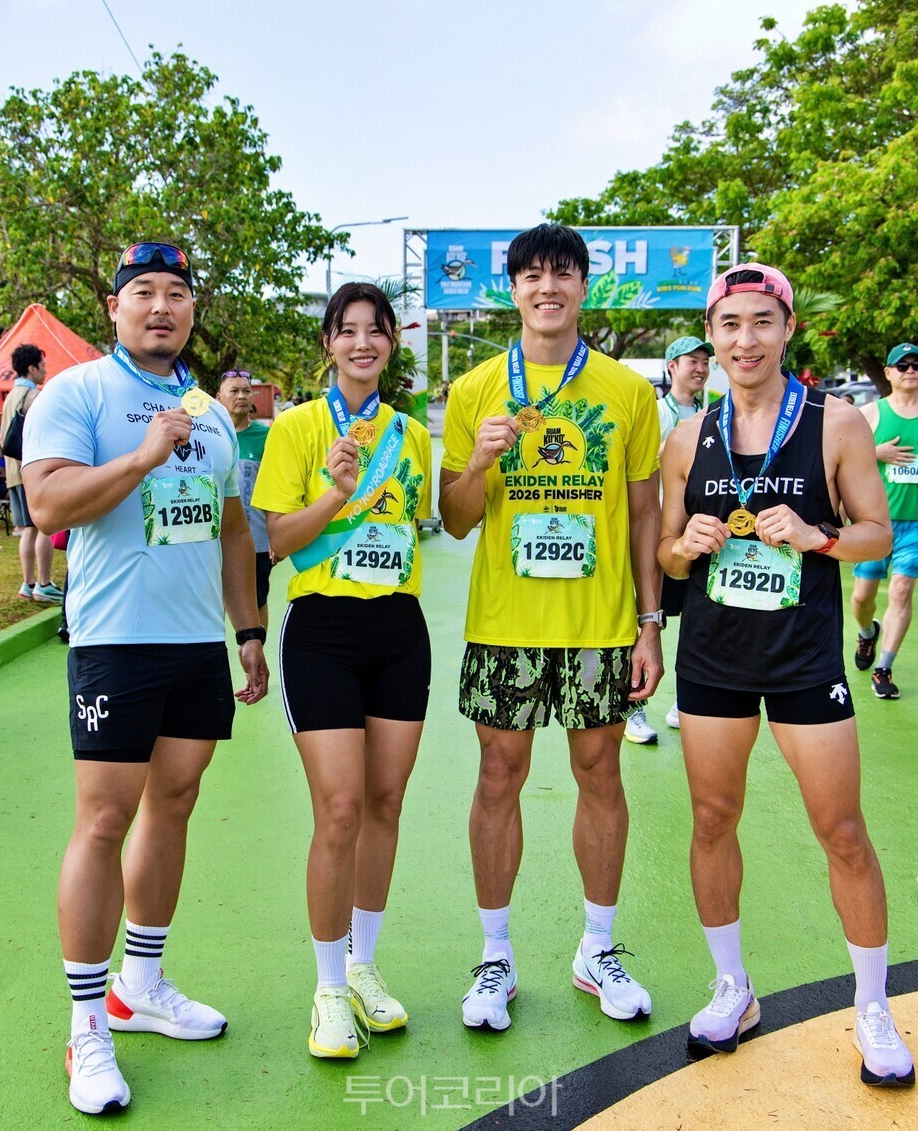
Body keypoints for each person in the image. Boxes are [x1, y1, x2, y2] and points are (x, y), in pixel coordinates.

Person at [21, 241, 269, 1115]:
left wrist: (247, 631)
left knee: (174, 805)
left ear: (193, 310)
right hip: (114, 642)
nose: (161, 306)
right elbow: (46, 503)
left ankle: (141, 985)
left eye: (177, 293)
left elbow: (234, 528)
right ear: (116, 310)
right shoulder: (78, 392)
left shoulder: (213, 411)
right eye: (143, 293)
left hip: (196, 643)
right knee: (102, 820)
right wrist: (140, 459)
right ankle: (88, 1026)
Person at [659, 263, 913, 1087]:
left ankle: (873, 1006)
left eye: (762, 322)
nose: (745, 339)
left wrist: (819, 536)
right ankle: (733, 986)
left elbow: (876, 531)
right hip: (713, 658)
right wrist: (683, 545)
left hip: (805, 657)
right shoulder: (686, 436)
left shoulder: (834, 422)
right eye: (730, 324)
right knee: (710, 817)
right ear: (713, 334)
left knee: (842, 830)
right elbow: (663, 553)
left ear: (787, 328)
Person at [440, 224, 663, 1033]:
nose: (547, 289)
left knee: (601, 771)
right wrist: (479, 464)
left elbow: (645, 512)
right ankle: (495, 956)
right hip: (505, 623)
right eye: (532, 276)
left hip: (600, 623)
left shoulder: (625, 391)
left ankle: (596, 948)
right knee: (498, 775)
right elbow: (455, 519)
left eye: (562, 275)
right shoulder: (473, 391)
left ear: (582, 286)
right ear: (512, 290)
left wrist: (649, 620)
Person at [253, 282, 432, 1060]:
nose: (363, 343)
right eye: (347, 331)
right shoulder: (294, 428)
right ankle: (327, 988)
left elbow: (420, 524)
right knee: (340, 806)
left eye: (376, 331)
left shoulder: (414, 434)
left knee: (386, 801)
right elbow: (281, 540)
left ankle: (363, 965)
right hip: (321, 630)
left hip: (399, 627)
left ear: (392, 342)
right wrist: (334, 491)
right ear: (328, 344)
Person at [625, 335, 713, 744]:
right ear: (671, 367)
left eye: (703, 361)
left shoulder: (716, 413)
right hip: (657, 533)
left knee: (695, 620)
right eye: (689, 361)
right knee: (644, 621)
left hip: (700, 537)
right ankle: (634, 709)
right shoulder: (654, 412)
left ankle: (683, 702)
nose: (698, 367)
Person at [849, 342, 918, 700]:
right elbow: (845, 452)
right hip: (876, 522)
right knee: (862, 598)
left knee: (902, 591)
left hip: (915, 527)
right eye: (902, 365)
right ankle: (866, 634)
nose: (911, 370)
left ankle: (884, 668)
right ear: (888, 373)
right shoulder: (871, 413)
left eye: (916, 364)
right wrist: (880, 452)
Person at [0, 344, 64, 603]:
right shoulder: (34, 397)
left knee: (28, 528)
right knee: (44, 526)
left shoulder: (10, 396)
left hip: (12, 471)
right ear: (32, 367)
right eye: (42, 365)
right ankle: (44, 583)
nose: (45, 370)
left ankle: (28, 583)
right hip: (31, 469)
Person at [216, 369, 275, 627]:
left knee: (257, 600)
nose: (241, 396)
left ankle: (256, 656)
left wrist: (276, 535)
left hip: (256, 541)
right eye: (234, 391)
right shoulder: (208, 434)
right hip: (213, 539)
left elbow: (278, 489)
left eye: (246, 391)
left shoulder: (268, 437)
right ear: (219, 397)